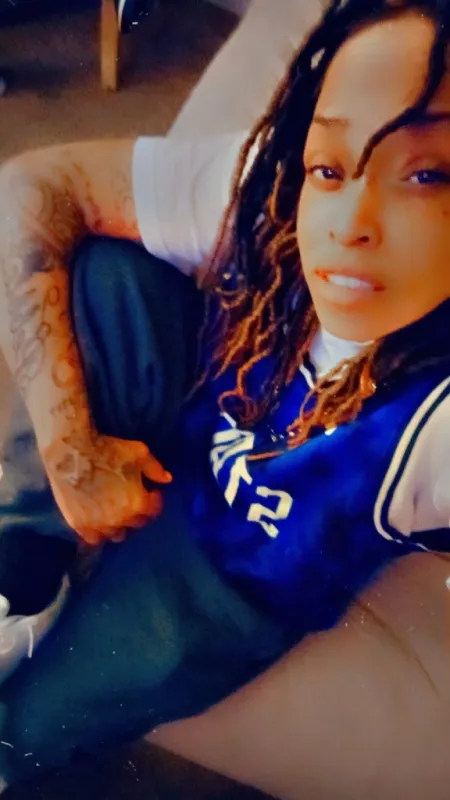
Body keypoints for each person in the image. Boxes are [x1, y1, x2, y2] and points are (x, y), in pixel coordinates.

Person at [0, 0, 449, 796]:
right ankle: (23, 564)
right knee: (108, 275)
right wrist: (71, 450)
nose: (352, 222)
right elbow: (33, 186)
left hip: (230, 574)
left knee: (33, 725)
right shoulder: (272, 189)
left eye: (426, 175)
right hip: (187, 405)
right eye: (331, 167)